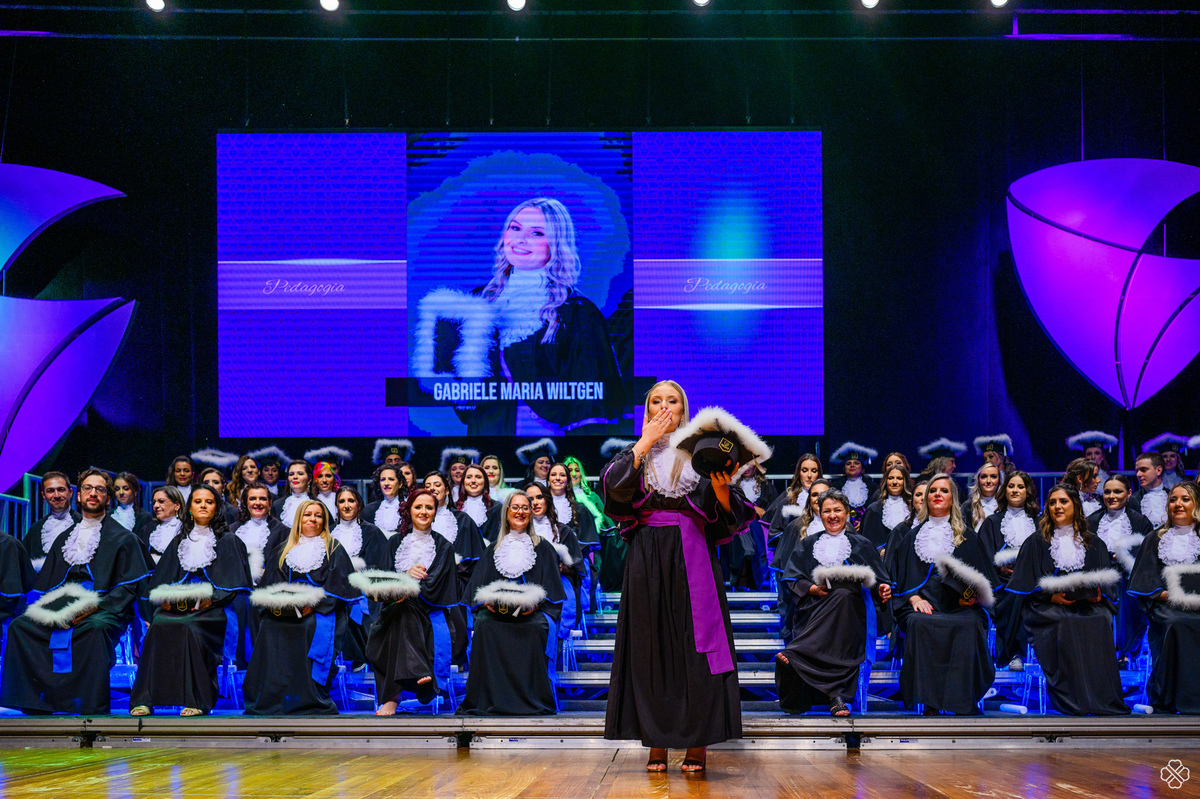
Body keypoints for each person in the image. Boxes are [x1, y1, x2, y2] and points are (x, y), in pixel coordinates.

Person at [600, 380, 754, 773]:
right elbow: (614, 492)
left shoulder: (699, 453)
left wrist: (721, 490)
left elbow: (727, 514)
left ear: (684, 409)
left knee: (693, 648)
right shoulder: (635, 452)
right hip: (647, 555)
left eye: (673, 401)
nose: (665, 406)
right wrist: (644, 441)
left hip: (691, 553)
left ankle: (696, 744)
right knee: (649, 648)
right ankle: (656, 742)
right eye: (656, 401)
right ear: (647, 409)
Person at [419, 198, 627, 435]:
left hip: (548, 438)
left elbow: (595, 404)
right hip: (488, 435)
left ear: (555, 244)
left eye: (537, 233)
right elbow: (460, 391)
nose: (521, 239)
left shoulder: (578, 312)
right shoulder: (475, 302)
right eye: (515, 228)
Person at [1, 470, 151, 715]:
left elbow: (128, 587)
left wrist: (92, 607)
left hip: (103, 607)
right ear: (78, 496)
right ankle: (39, 702)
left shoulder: (124, 539)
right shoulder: (64, 539)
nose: (93, 493)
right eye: (87, 488)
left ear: (108, 498)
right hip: (63, 604)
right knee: (22, 627)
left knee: (93, 629)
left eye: (100, 489)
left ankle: (88, 703)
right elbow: (48, 585)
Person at [1005, 484, 1129, 716]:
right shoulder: (1035, 542)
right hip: (1045, 606)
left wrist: (1098, 594)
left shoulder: (1094, 542)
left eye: (1063, 501)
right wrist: (1050, 595)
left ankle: (1100, 699)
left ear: (1076, 506)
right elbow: (1024, 584)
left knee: (1099, 620)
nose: (1057, 507)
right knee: (1066, 624)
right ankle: (1072, 700)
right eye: (1052, 503)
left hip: (1087, 606)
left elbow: (1106, 582)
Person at [130, 485, 253, 716]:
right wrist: (164, 601)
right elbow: (160, 582)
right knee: (158, 626)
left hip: (213, 609)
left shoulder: (228, 541)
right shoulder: (179, 541)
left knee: (191, 629)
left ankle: (197, 699)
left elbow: (231, 587)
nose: (203, 506)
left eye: (209, 502)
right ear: (189, 508)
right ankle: (145, 699)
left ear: (217, 508)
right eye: (198, 501)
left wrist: (210, 600)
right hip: (177, 608)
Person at [775, 489, 892, 715]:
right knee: (839, 601)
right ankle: (836, 696)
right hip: (816, 608)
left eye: (837, 510)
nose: (832, 515)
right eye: (827, 510)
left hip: (854, 611)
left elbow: (880, 581)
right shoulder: (808, 544)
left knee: (845, 597)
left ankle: (798, 654)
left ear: (847, 513)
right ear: (819, 513)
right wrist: (811, 588)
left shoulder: (862, 544)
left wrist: (883, 590)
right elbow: (791, 578)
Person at [891, 474, 999, 716]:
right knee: (919, 623)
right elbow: (899, 580)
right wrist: (913, 598)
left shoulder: (967, 536)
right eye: (933, 491)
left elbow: (984, 580)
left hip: (960, 607)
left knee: (970, 624)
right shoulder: (911, 538)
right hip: (923, 605)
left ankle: (963, 700)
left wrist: (973, 597)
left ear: (953, 499)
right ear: (926, 498)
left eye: (944, 491)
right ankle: (931, 702)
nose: (937, 494)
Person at [243, 499, 360, 715]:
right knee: (270, 626)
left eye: (318, 515)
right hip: (286, 611)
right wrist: (282, 606)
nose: (312, 519)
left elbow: (339, 586)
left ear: (324, 520)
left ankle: (310, 699)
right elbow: (271, 587)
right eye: (307, 515)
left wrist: (312, 605)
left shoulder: (334, 548)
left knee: (309, 627)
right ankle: (274, 698)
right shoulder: (282, 550)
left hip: (321, 611)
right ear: (299, 519)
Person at [458, 490, 566, 716]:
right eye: (515, 507)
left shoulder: (543, 547)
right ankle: (489, 700)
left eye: (525, 507)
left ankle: (533, 701)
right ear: (506, 513)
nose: (520, 512)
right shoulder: (492, 550)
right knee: (484, 626)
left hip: (533, 615)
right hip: (495, 616)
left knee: (538, 627)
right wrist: (487, 603)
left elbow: (552, 593)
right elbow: (477, 592)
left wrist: (534, 606)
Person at [358, 489, 458, 714]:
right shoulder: (394, 542)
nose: (423, 512)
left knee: (405, 613)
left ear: (435, 513)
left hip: (429, 611)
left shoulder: (444, 546)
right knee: (395, 618)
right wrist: (405, 574)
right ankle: (417, 673)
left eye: (429, 508)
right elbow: (383, 580)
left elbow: (437, 587)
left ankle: (392, 697)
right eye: (418, 507)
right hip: (394, 607)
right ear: (409, 511)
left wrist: (409, 584)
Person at [1127, 482, 1200, 714]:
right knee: (1176, 623)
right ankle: (1167, 697)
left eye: (1185, 499)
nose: (1178, 504)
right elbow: (1145, 579)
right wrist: (1164, 594)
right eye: (1173, 499)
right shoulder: (1155, 538)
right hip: (1166, 605)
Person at [1088, 474, 1154, 666]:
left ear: (1129, 493)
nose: (1112, 496)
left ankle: (1124, 651)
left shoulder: (1141, 521)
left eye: (1118, 491)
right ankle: (1101, 650)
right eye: (1107, 491)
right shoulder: (1092, 521)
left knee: (1124, 592)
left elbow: (1146, 553)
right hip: (1098, 575)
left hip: (1130, 576)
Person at [977, 470, 1040, 670]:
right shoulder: (992, 523)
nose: (1015, 490)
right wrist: (1000, 567)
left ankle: (1011, 653)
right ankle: (1015, 653)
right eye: (1011, 486)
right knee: (1014, 595)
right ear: (1005, 491)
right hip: (998, 582)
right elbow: (984, 557)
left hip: (1032, 583)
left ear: (1028, 492)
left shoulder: (1039, 523)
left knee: (1021, 594)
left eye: (1020, 487)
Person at [226, 482, 290, 667]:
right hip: (238, 589)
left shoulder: (283, 531)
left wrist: (266, 574)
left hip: (269, 589)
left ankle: (262, 666)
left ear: (270, 503)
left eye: (263, 498)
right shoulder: (232, 530)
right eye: (252, 498)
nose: (258, 503)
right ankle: (237, 665)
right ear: (245, 503)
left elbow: (284, 564)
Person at [330, 485, 391, 669]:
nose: (346, 506)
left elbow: (382, 566)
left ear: (359, 504)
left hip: (366, 594)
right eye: (342, 501)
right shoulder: (329, 533)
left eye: (351, 501)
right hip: (335, 593)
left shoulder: (372, 532)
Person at [770, 478, 833, 644]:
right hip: (802, 601)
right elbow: (785, 573)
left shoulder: (845, 529)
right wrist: (808, 589)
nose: (819, 498)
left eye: (824, 494)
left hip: (836, 603)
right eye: (814, 494)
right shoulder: (795, 527)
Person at [526, 482, 586, 645]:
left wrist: (564, 568)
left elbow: (578, 572)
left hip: (556, 591)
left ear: (547, 500)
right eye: (530, 499)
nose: (535, 503)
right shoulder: (517, 533)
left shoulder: (563, 531)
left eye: (539, 497)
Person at [22, 472, 79, 571]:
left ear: (70, 492)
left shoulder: (84, 525)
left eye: (61, 490)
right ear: (43, 495)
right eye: (50, 491)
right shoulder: (36, 529)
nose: (56, 495)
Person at [861, 465, 913, 552]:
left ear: (905, 482)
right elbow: (866, 539)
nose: (895, 482)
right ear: (886, 481)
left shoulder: (912, 507)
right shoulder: (874, 509)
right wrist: (879, 549)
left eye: (899, 478)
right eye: (891, 478)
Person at [829, 443, 878, 532]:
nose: (852, 465)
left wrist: (864, 523)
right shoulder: (836, 486)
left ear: (863, 468)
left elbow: (875, 512)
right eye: (848, 463)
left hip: (867, 529)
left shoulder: (872, 487)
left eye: (856, 463)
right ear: (844, 468)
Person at [139, 486, 186, 565]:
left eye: (161, 501)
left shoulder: (186, 528)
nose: (156, 506)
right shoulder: (148, 528)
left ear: (177, 505)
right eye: (154, 502)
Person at [362, 465, 405, 537]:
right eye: (383, 480)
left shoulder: (408, 509)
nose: (386, 483)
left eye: (391, 479)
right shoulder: (369, 510)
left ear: (400, 484)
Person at [1130, 452, 1169, 528]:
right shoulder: (1134, 499)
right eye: (1137, 471)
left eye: (1143, 470)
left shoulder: (1172, 496)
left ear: (1158, 470)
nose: (1138, 474)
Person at [272, 460, 315, 527]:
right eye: (291, 474)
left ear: (309, 479)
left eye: (300, 474)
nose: (295, 477)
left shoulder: (318, 505)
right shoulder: (277, 505)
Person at [455, 464, 498, 530]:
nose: (473, 481)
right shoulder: (454, 508)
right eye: (469, 477)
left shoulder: (496, 508)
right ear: (463, 481)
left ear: (485, 481)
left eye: (478, 477)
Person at [961, 463, 1001, 532]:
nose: (988, 481)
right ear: (978, 480)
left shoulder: (1005, 505)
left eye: (993, 477)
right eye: (984, 477)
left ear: (999, 480)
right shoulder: (968, 506)